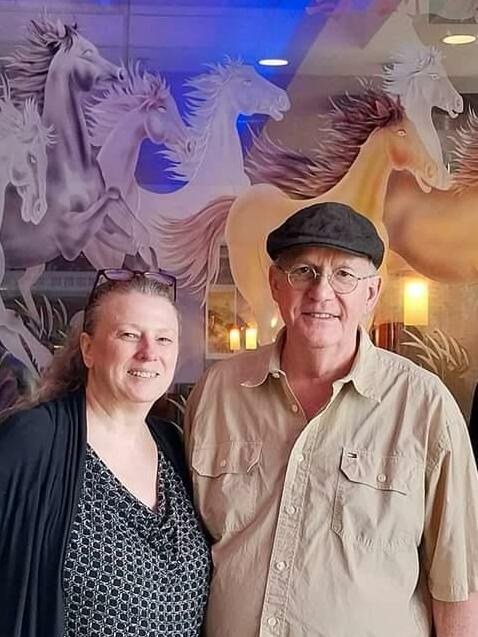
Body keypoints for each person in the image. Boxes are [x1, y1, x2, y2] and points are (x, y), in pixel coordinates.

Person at [184, 202, 478, 637]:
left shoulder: (424, 406)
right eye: (303, 271)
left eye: (344, 275)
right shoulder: (217, 392)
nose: (321, 292)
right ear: (276, 284)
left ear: (371, 294)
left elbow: (458, 583)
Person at [0, 268, 211, 637]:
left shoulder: (173, 445)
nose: (149, 353)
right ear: (88, 349)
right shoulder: (33, 441)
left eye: (164, 338)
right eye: (129, 335)